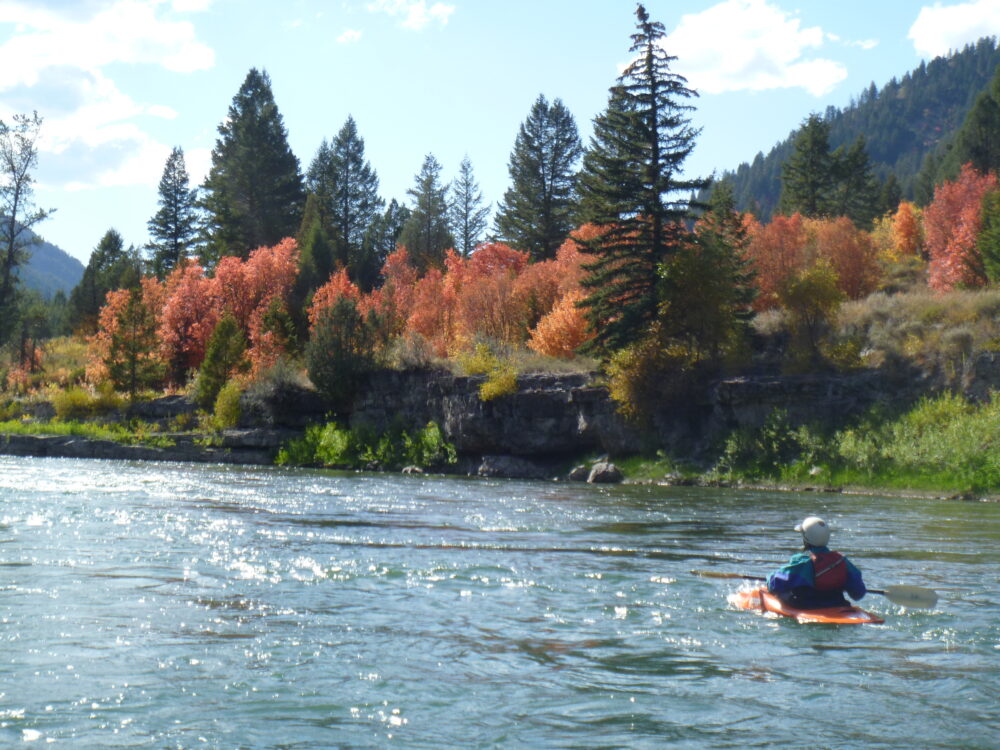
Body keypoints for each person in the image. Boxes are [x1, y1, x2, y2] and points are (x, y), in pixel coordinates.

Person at [767, 516, 867, 609]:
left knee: (781, 592)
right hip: (837, 605)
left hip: (807, 606)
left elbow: (774, 584)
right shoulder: (842, 561)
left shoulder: (803, 562)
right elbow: (859, 593)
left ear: (806, 538)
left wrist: (768, 578)